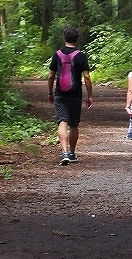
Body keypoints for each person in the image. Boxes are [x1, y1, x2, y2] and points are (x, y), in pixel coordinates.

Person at [48, 26, 93, 165]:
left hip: (60, 93)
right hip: (76, 93)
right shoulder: (81, 55)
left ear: (64, 37)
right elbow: (86, 77)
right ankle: (72, 153)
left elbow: (51, 76)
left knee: (62, 122)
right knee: (74, 124)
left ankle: (64, 152)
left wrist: (50, 92)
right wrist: (90, 96)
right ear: (77, 38)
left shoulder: (57, 54)